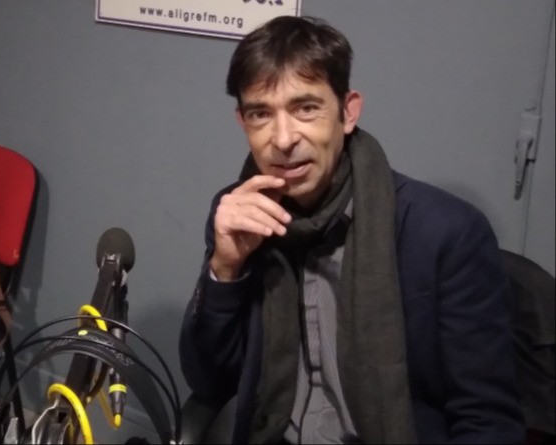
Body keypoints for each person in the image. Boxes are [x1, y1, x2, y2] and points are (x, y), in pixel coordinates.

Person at [179, 16, 524, 444]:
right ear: (242, 122)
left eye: (306, 108)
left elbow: (488, 422)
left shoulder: (445, 233)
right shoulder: (240, 214)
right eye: (261, 114)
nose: (283, 139)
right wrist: (225, 269)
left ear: (348, 112)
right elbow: (209, 383)